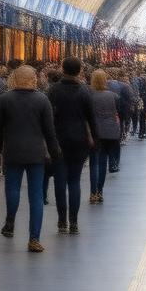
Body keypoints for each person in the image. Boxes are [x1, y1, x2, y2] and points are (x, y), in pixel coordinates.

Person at [0, 65, 61, 252]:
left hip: (13, 151)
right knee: (36, 195)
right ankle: (34, 238)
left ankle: (10, 221)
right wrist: (55, 154)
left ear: (14, 79)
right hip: (36, 153)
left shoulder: (5, 99)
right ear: (33, 79)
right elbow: (50, 132)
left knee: (12, 188)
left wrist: (0, 146)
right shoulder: (42, 100)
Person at [48, 57, 98, 234]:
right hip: (79, 140)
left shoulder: (53, 90)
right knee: (74, 181)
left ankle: (62, 221)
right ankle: (74, 222)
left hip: (58, 140)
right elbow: (91, 118)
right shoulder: (85, 91)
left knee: (60, 181)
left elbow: (48, 117)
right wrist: (94, 139)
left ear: (62, 69)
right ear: (79, 70)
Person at [88, 71, 121, 204]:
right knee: (103, 162)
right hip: (110, 132)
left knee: (94, 163)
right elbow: (118, 112)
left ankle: (93, 192)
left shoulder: (89, 96)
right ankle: (100, 191)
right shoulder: (113, 96)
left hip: (95, 132)